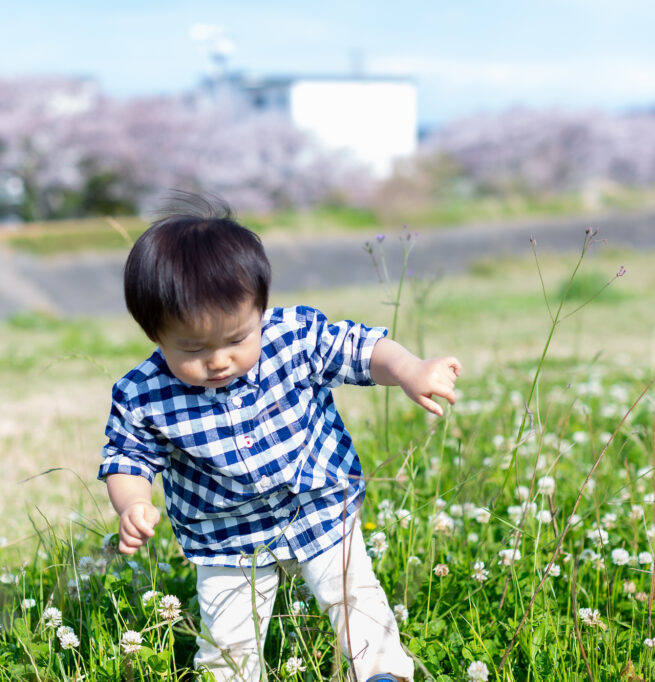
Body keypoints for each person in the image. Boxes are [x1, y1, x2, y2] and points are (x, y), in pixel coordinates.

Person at [99, 193, 461, 682]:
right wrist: (132, 504)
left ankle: (380, 673)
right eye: (192, 347)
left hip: (318, 508)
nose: (218, 360)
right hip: (225, 538)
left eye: (235, 339)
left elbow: (361, 348)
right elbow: (128, 458)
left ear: (260, 311)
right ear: (155, 334)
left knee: (356, 600)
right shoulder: (143, 394)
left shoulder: (293, 337)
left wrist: (411, 369)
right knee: (229, 640)